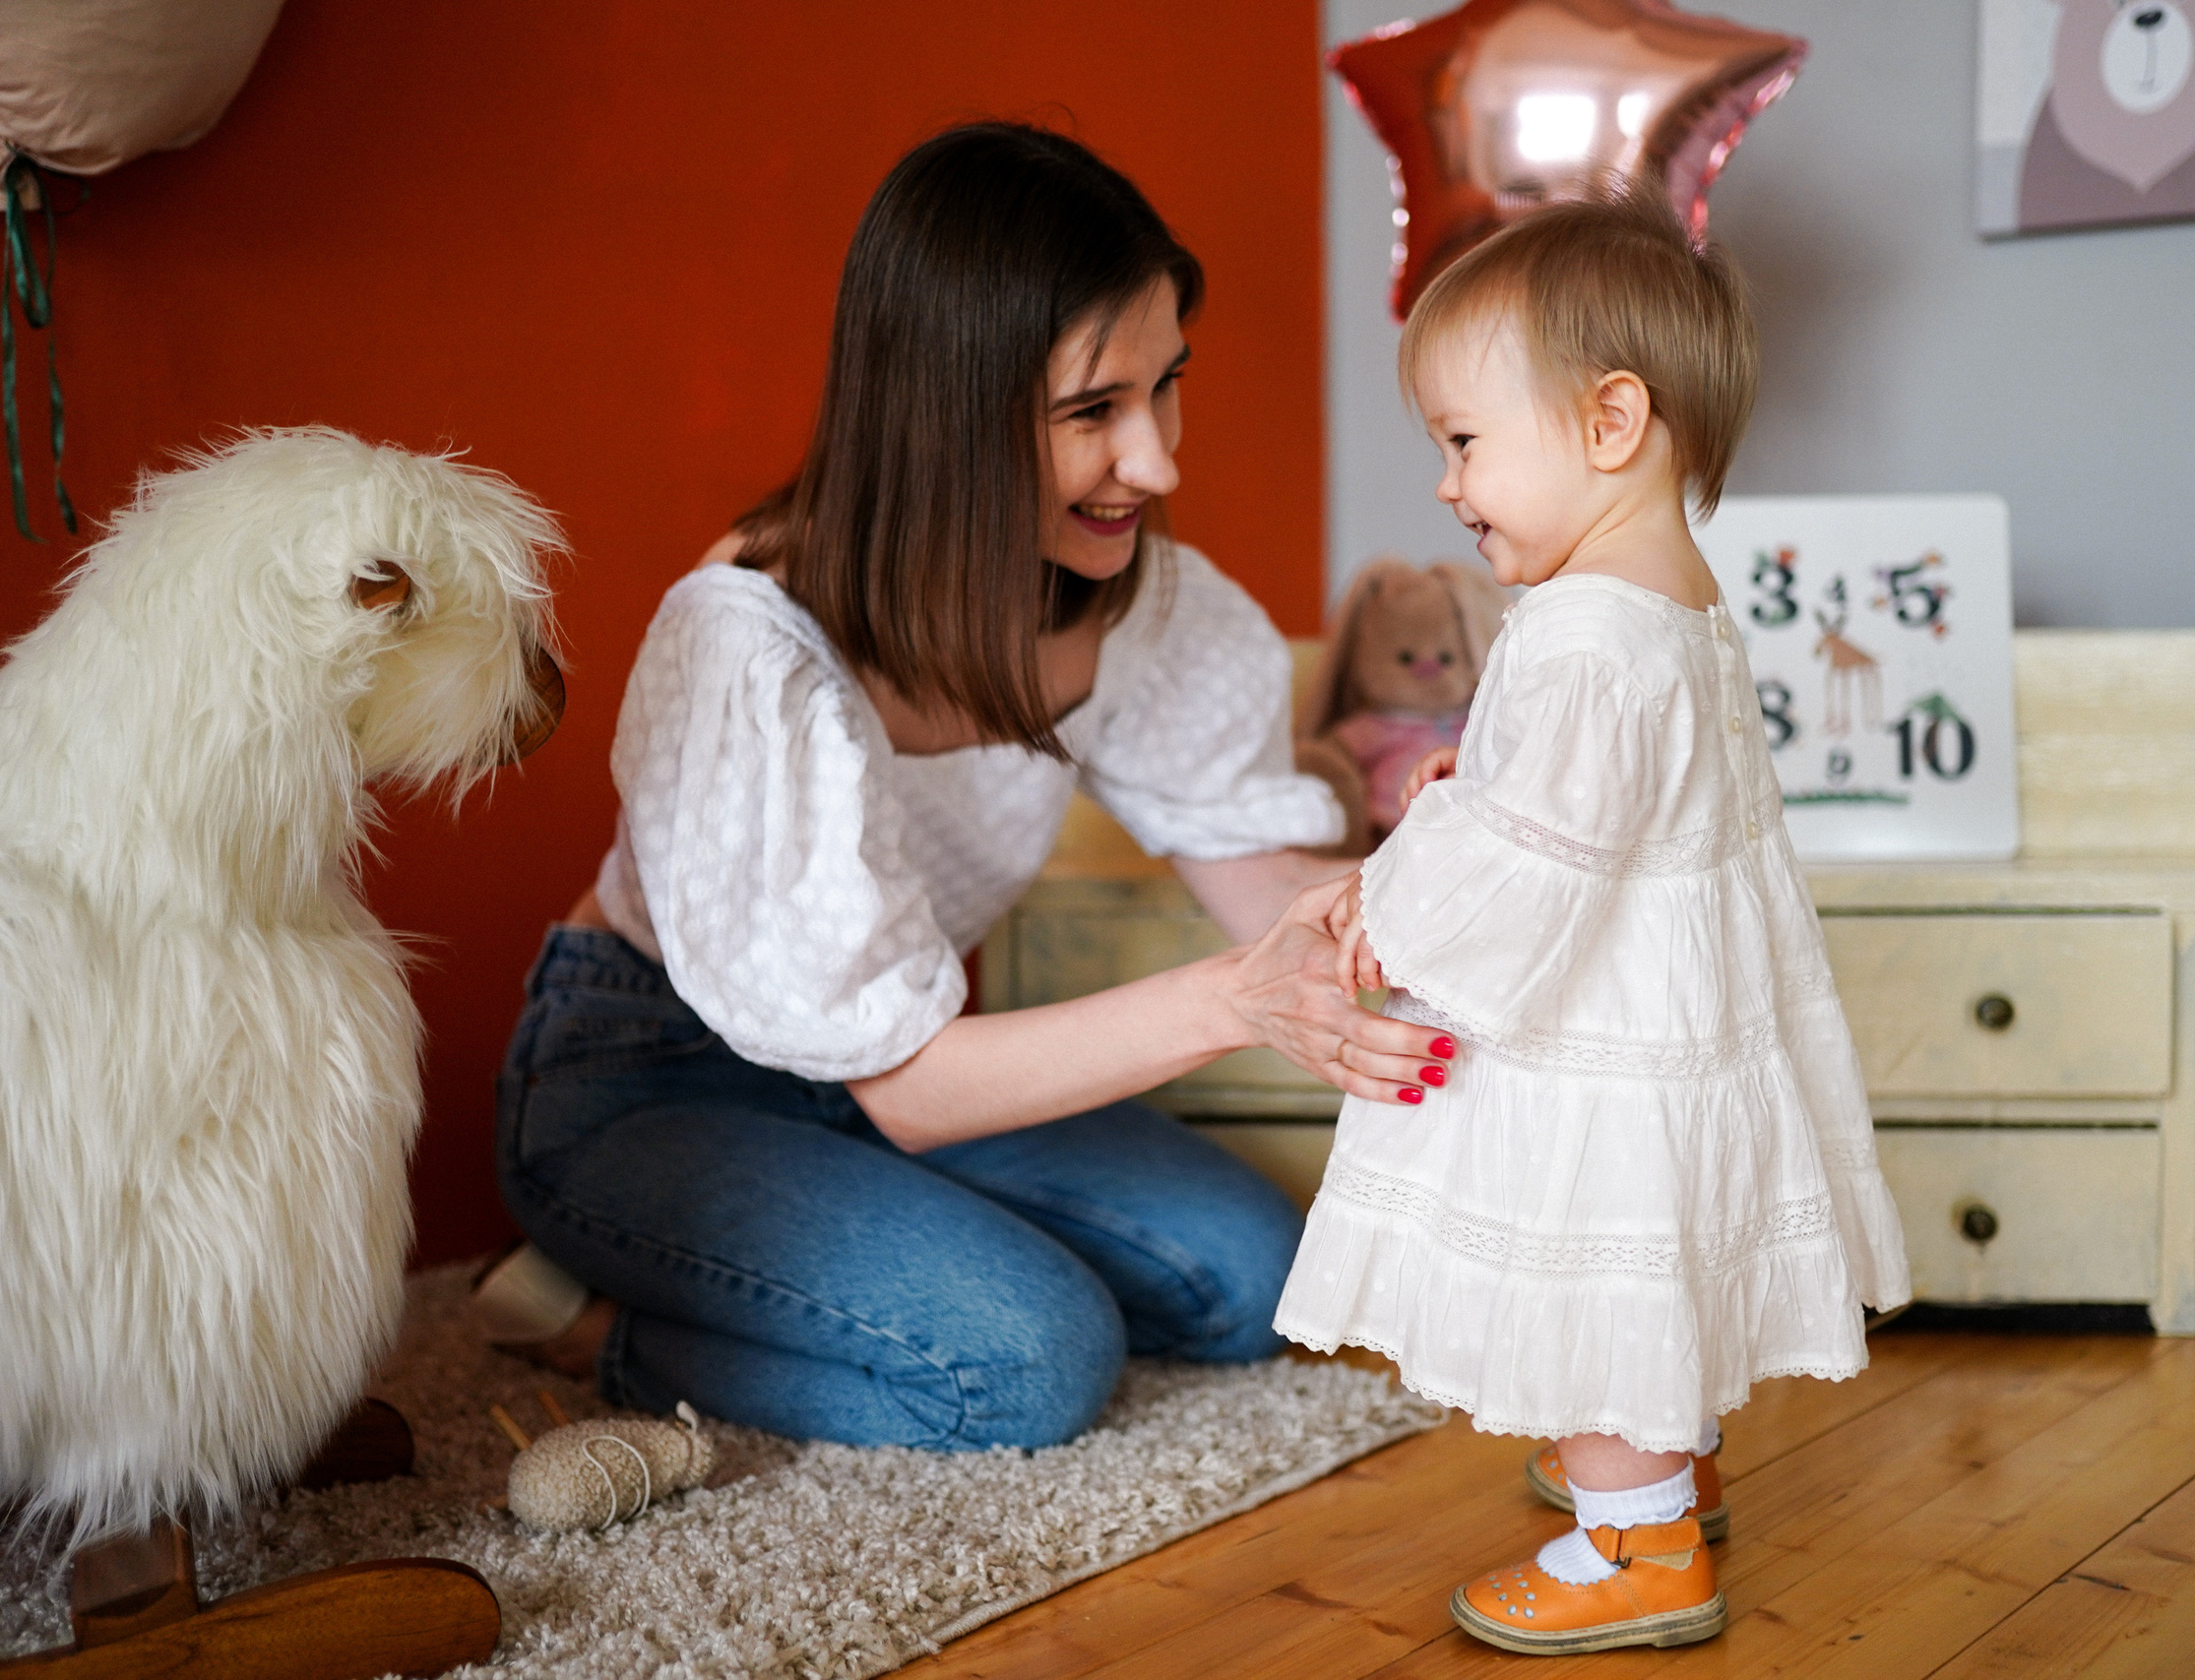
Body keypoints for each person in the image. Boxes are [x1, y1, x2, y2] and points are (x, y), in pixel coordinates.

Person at [480, 123, 1453, 1453]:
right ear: (948, 410)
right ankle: (608, 1330)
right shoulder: (753, 645)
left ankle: (865, 1258)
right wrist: (1237, 1003)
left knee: (1250, 1279)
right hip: (651, 1079)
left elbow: (1258, 885)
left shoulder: (1128, 600)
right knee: (1026, 1359)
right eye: (1094, 413)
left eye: (1166, 386)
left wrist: (1452, 869)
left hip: (894, 1069)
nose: (1159, 460)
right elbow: (919, 1089)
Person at [1273, 194, 1912, 1655]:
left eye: (1465, 440)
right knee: (1643, 1248)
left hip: (1600, 1024)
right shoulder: (1676, 599)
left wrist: (1393, 893)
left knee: (1587, 1230)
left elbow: (1530, 858)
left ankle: (1636, 1541)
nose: (1444, 483)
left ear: (1611, 419)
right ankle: (1655, 1452)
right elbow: (1604, 800)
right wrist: (1471, 775)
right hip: (1679, 1007)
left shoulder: (1579, 631)